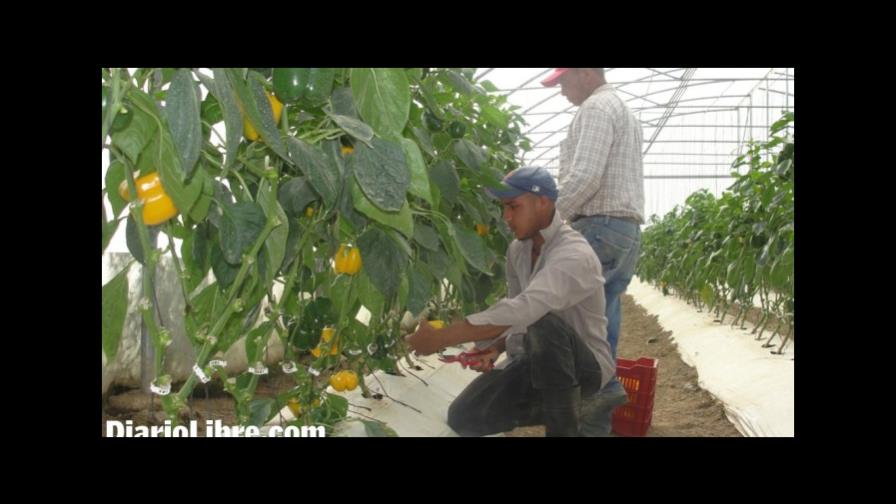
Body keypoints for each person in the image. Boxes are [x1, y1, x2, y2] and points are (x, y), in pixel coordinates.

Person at [405, 166, 615, 437]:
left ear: (543, 202)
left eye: (513, 206)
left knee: (544, 323)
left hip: (585, 368)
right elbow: (515, 310)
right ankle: (581, 406)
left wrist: (441, 338)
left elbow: (525, 310)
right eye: (504, 207)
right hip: (535, 358)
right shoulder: (518, 250)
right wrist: (495, 347)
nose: (506, 216)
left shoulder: (574, 255)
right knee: (465, 416)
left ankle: (570, 421)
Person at [541, 68, 645, 435]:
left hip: (598, 228)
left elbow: (585, 177)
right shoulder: (621, 109)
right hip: (622, 232)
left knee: (561, 324)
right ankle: (592, 428)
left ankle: (592, 401)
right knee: (601, 329)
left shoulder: (597, 108)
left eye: (564, 81)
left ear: (586, 72)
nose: (562, 90)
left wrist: (545, 223)